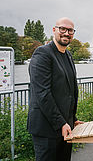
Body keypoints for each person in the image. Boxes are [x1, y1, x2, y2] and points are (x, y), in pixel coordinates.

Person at [27, 17, 83, 161]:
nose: (66, 33)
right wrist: (61, 123)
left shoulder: (68, 55)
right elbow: (42, 94)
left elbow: (68, 92)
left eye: (70, 30)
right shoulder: (42, 54)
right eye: (62, 29)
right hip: (46, 129)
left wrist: (72, 119)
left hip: (66, 127)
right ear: (54, 30)